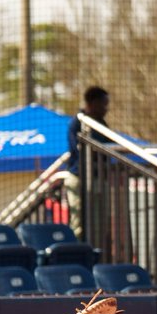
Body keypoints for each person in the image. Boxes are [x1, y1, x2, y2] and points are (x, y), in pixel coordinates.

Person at [65, 86, 110, 239]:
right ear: (93, 103)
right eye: (103, 104)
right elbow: (78, 153)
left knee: (98, 225)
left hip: (97, 180)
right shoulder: (77, 123)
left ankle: (95, 255)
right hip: (78, 178)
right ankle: (77, 255)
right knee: (78, 223)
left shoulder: (102, 125)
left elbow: (108, 151)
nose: (106, 108)